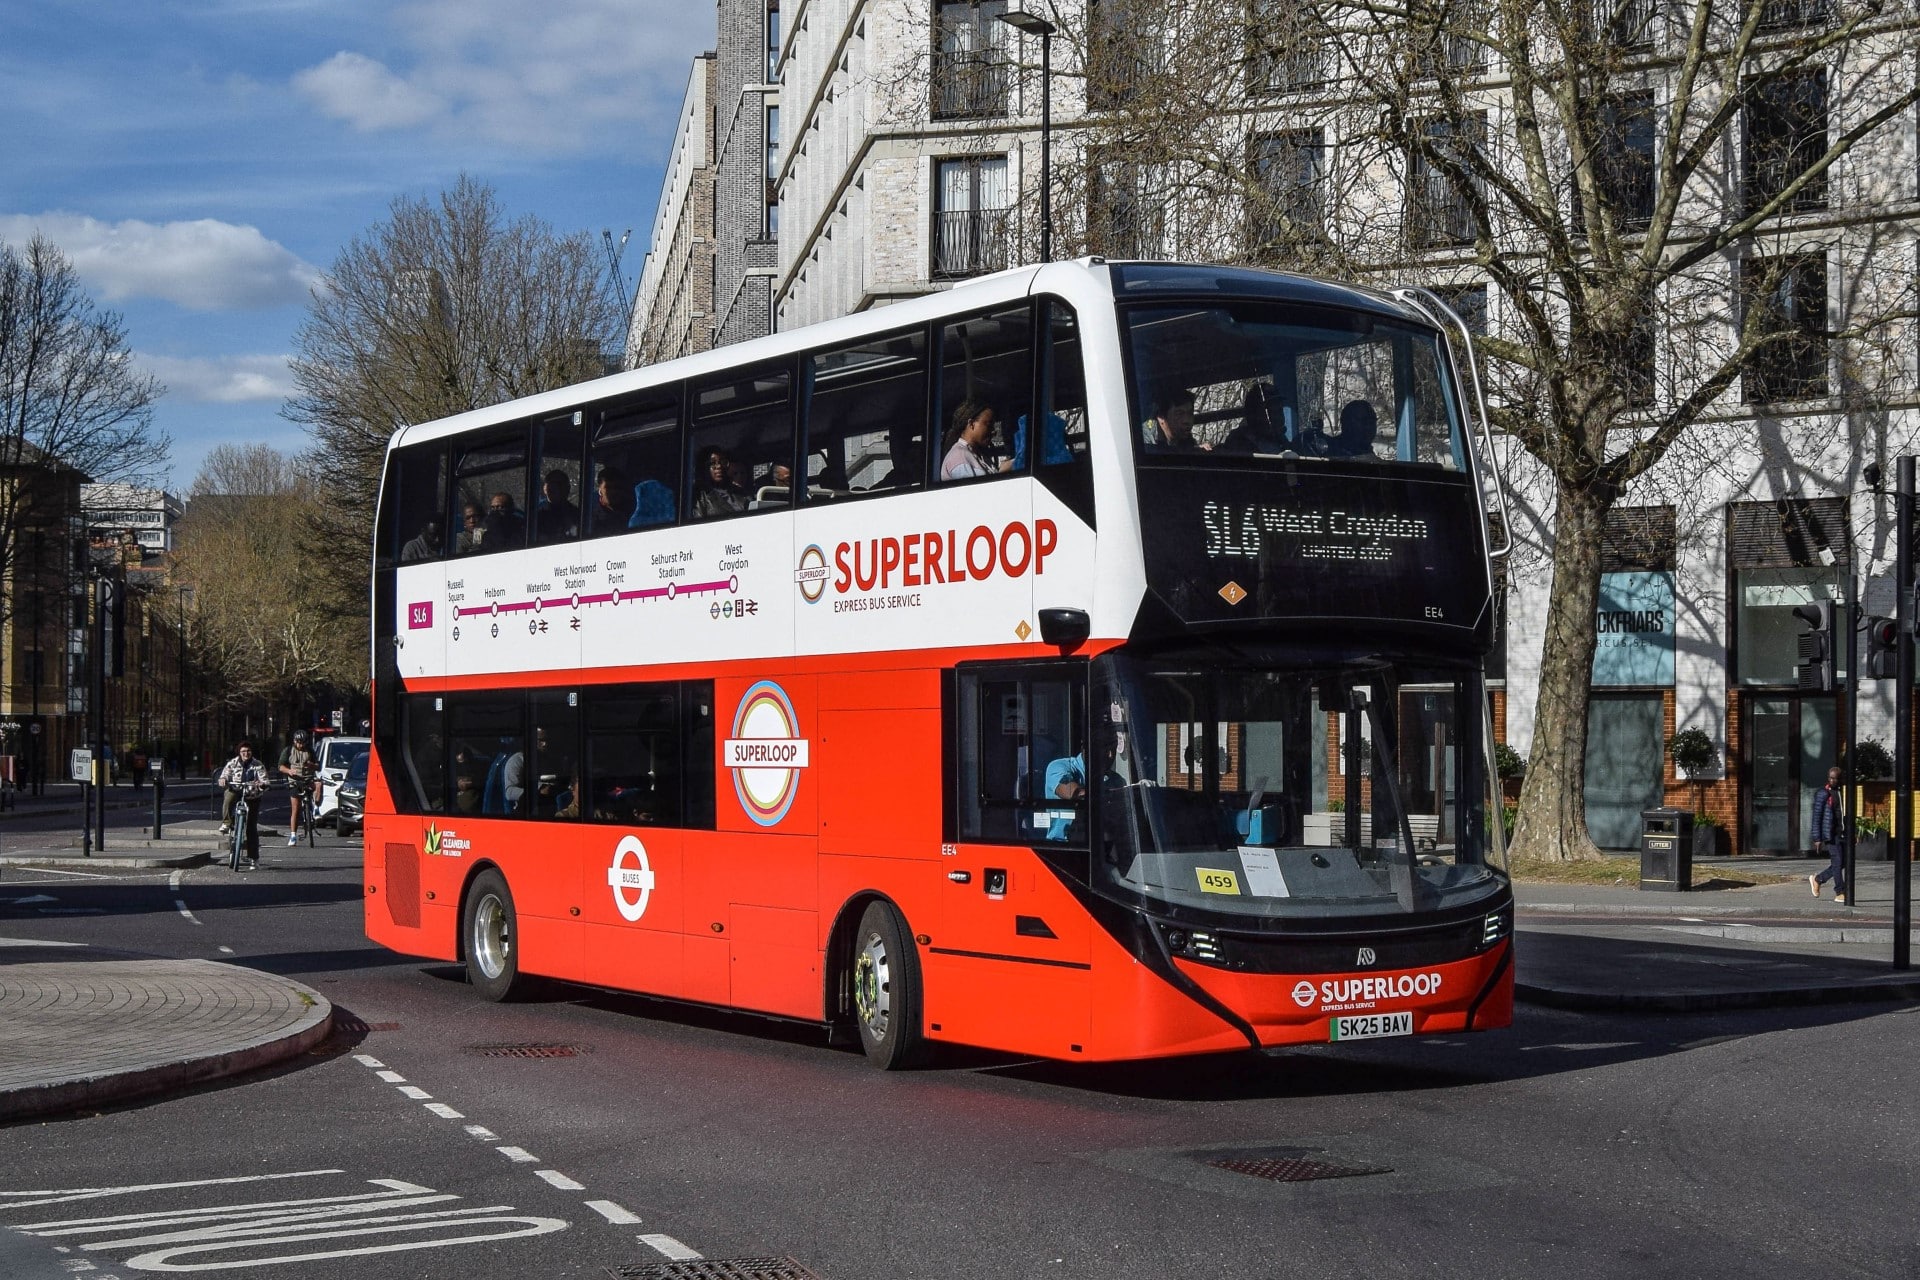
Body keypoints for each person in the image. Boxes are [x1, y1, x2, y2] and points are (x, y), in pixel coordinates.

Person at [217, 740, 271, 870]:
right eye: (243, 751)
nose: (246, 753)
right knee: (228, 796)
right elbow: (224, 775)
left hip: (252, 796)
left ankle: (254, 859)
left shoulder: (258, 764)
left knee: (251, 828)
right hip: (237, 791)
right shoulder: (233, 763)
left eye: (248, 751)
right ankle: (226, 822)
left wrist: (262, 784)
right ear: (239, 753)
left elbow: (265, 780)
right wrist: (223, 780)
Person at [940, 400, 1011, 481]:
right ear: (971, 424)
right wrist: (1001, 474)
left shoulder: (977, 455)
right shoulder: (960, 457)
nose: (993, 430)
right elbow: (975, 491)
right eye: (989, 425)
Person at [1810, 765, 1847, 904]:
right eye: (1831, 778)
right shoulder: (1823, 794)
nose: (1833, 781)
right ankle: (1840, 892)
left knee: (1843, 862)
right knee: (1837, 862)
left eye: (1835, 778)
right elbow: (1817, 816)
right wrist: (1817, 838)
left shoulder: (1842, 793)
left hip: (1843, 833)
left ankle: (1818, 879)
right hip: (1831, 834)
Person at [1219, 383, 1284, 454]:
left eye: (1279, 409)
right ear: (1254, 413)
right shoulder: (1238, 444)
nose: (1277, 416)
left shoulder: (1282, 441)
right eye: (1270, 410)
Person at [694, 447, 750, 518]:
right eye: (713, 463)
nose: (719, 466)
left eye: (723, 462)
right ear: (704, 468)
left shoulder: (739, 491)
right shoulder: (700, 496)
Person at [533, 470, 581, 544]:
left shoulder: (577, 515)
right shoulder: (537, 517)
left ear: (568, 488)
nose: (556, 488)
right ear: (545, 489)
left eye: (561, 484)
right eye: (553, 484)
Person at [592, 466, 637, 532]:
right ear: (600, 490)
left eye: (617, 487)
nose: (613, 492)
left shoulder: (633, 511)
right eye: (608, 487)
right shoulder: (589, 514)